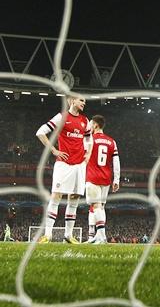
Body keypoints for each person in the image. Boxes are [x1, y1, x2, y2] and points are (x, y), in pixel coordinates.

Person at [36, 95, 92, 244]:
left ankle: (68, 235)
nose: (83, 103)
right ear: (72, 100)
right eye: (81, 100)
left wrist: (87, 155)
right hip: (63, 164)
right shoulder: (62, 117)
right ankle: (47, 235)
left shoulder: (85, 121)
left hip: (79, 165)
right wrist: (54, 150)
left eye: (85, 101)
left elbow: (88, 139)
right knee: (56, 196)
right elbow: (40, 132)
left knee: (74, 199)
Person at [85, 115, 120, 244]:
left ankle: (101, 236)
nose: (88, 126)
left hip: (93, 176)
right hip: (106, 178)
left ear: (95, 125)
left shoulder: (89, 140)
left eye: (90, 124)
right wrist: (116, 179)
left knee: (96, 206)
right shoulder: (112, 141)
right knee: (99, 207)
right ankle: (92, 236)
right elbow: (116, 162)